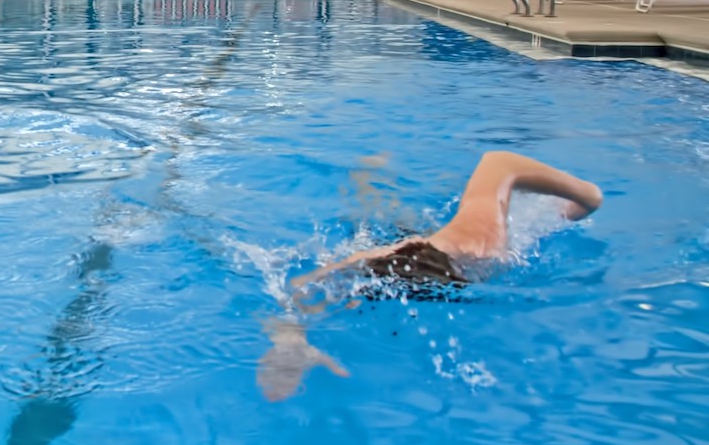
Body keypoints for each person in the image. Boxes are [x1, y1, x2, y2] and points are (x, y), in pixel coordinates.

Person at [257, 151, 603, 402]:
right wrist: (581, 200)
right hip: (441, 270)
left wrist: (290, 337)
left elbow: (300, 286)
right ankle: (367, 174)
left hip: (428, 275)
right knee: (379, 216)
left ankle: (366, 174)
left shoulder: (391, 257)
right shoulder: (481, 240)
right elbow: (499, 160)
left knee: (372, 222)